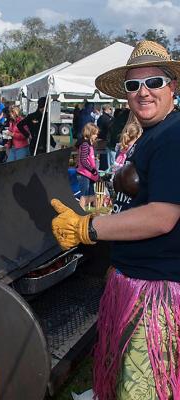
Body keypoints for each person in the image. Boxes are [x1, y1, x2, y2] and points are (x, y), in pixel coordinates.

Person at [50, 40, 180, 399]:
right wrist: (118, 261)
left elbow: (162, 217)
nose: (143, 92)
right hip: (135, 280)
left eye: (154, 82)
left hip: (157, 295)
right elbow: (138, 205)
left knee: (144, 389)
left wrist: (87, 227)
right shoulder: (151, 135)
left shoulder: (174, 136)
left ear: (172, 87)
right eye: (133, 85)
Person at [76, 123, 99, 209]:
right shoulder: (85, 145)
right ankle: (80, 212)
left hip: (89, 174)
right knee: (84, 196)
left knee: (91, 195)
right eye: (95, 134)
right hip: (84, 174)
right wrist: (92, 170)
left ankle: (87, 211)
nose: (96, 136)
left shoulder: (89, 144)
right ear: (89, 133)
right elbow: (83, 160)